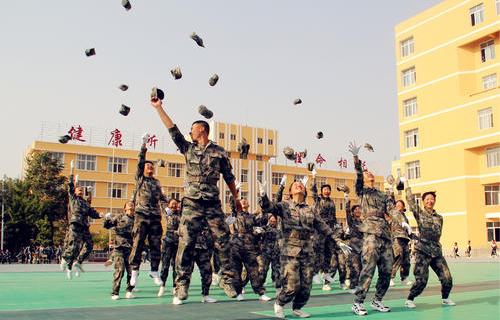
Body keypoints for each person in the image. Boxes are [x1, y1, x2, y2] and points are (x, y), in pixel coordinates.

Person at [151, 97, 241, 303]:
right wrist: (159, 108)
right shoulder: (188, 148)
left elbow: (229, 177)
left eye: (192, 129)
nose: (190, 132)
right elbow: (172, 129)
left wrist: (236, 198)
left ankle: (227, 280)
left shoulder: (219, 152)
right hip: (191, 202)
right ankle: (181, 284)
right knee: (186, 243)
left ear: (202, 130)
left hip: (211, 203)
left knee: (223, 240)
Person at [260, 180, 351, 319]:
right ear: (290, 192)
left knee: (306, 285)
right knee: (292, 285)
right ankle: (279, 303)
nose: (298, 185)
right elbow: (268, 207)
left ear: (305, 191)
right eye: (295, 185)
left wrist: (338, 241)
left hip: (307, 250)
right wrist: (263, 195)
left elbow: (323, 227)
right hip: (290, 250)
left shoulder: (311, 210)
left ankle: (297, 308)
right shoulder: (284, 206)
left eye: (300, 185)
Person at [348, 141, 394, 316]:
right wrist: (356, 158)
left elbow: (392, 211)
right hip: (370, 235)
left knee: (387, 270)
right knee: (368, 268)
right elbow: (359, 176)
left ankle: (378, 300)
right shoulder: (362, 192)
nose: (369, 173)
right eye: (367, 173)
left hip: (385, 235)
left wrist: (402, 222)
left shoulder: (382, 194)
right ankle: (358, 302)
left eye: (369, 172)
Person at [404, 182, 455, 308]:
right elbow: (410, 200)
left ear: (435, 201)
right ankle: (410, 299)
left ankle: (445, 298)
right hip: (423, 250)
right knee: (421, 280)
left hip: (436, 251)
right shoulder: (420, 213)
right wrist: (406, 184)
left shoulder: (440, 217)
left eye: (432, 199)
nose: (430, 201)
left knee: (447, 277)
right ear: (423, 201)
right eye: (427, 199)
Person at [128, 135, 168, 288]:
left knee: (156, 244)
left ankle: (154, 271)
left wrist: (167, 209)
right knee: (138, 243)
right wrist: (143, 145)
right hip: (142, 215)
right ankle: (134, 272)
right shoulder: (140, 179)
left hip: (155, 217)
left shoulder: (157, 182)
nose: (150, 167)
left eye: (152, 166)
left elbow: (162, 198)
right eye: (148, 166)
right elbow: (140, 162)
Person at [60, 161, 102, 279]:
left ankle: (78, 263)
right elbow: (70, 184)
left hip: (84, 226)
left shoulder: (85, 202)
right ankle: (65, 259)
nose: (80, 191)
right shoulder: (73, 198)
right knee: (74, 246)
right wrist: (72, 170)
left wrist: (101, 216)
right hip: (75, 224)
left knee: (89, 245)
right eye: (79, 189)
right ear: (74, 192)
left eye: (81, 190)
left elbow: (92, 211)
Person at [229, 196, 271, 302]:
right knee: (237, 270)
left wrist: (263, 198)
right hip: (236, 245)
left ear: (248, 205)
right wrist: (234, 194)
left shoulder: (252, 217)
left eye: (245, 200)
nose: (243, 201)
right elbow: (232, 204)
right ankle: (238, 292)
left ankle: (260, 293)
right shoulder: (235, 214)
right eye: (241, 200)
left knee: (254, 270)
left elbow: (264, 218)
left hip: (249, 246)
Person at [310, 170, 347, 291]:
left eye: (328, 189)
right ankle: (315, 273)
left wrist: (337, 225)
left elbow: (334, 216)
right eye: (324, 189)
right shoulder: (318, 200)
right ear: (321, 191)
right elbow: (313, 190)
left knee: (328, 253)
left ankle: (325, 275)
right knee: (318, 253)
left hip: (330, 231)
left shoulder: (332, 202)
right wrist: (314, 176)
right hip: (320, 229)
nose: (327, 191)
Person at [104, 201, 136, 300]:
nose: (131, 205)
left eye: (132, 204)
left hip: (131, 248)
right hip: (119, 247)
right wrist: (107, 219)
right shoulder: (120, 217)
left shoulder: (137, 219)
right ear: (125, 208)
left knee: (132, 271)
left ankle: (129, 290)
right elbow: (107, 225)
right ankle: (115, 292)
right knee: (120, 270)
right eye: (128, 204)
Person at [158, 198, 182, 297]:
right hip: (167, 241)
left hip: (178, 241)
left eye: (176, 204)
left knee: (176, 266)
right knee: (165, 265)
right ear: (168, 205)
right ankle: (162, 285)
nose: (174, 206)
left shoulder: (181, 214)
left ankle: (174, 286)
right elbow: (162, 200)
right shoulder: (167, 212)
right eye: (172, 204)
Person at [389, 200, 413, 287]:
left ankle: (404, 278)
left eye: (400, 205)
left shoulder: (405, 218)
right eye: (397, 205)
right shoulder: (394, 215)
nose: (398, 206)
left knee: (406, 259)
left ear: (403, 207)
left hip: (405, 239)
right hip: (396, 238)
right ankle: (390, 277)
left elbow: (408, 229)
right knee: (398, 256)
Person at [345, 196, 363, 294]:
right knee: (355, 268)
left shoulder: (363, 223)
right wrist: (347, 200)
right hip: (354, 248)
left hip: (362, 248)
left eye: (359, 209)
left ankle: (359, 286)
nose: (358, 211)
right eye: (355, 209)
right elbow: (347, 212)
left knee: (362, 268)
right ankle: (352, 286)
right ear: (353, 212)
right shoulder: (352, 222)